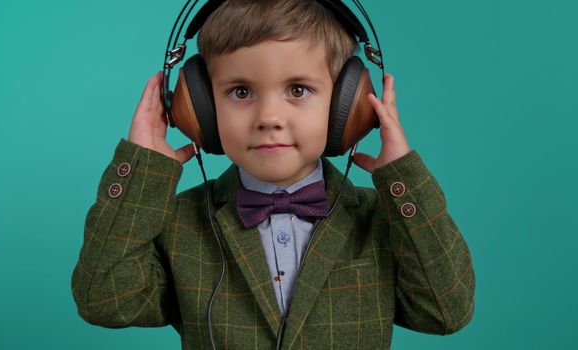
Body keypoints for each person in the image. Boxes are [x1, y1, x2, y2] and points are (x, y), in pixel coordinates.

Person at [71, 0, 475, 349]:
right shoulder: (180, 221)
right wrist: (143, 170)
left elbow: (446, 311)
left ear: (350, 108)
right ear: (199, 111)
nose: (269, 118)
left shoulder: (383, 219)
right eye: (241, 92)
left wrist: (402, 178)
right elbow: (105, 299)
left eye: (298, 90)